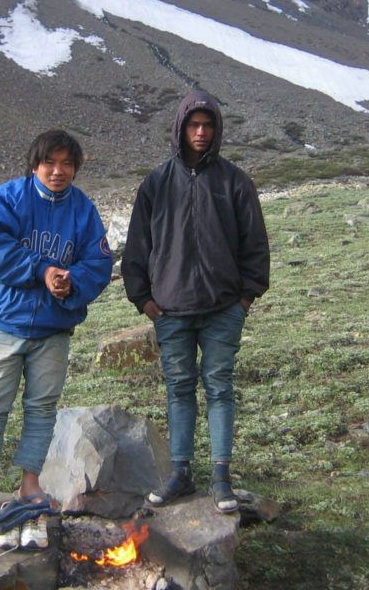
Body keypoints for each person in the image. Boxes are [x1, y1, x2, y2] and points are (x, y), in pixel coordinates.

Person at [0, 129, 113, 549]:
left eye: (66, 164)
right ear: (35, 164)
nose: (58, 171)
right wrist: (43, 271)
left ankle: (30, 482)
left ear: (76, 168)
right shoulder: (7, 198)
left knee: (41, 408)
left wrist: (71, 281)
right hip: (4, 325)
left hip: (52, 329)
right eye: (50, 163)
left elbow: (98, 262)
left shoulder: (83, 210)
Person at [121, 89, 270, 514]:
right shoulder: (155, 184)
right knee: (179, 389)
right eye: (193, 125)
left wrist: (244, 298)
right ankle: (180, 473)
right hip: (171, 310)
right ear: (180, 128)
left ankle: (221, 478)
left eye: (207, 125)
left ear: (217, 129)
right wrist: (144, 300)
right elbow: (137, 247)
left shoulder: (235, 182)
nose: (201, 133)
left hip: (224, 308)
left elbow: (255, 246)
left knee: (220, 388)